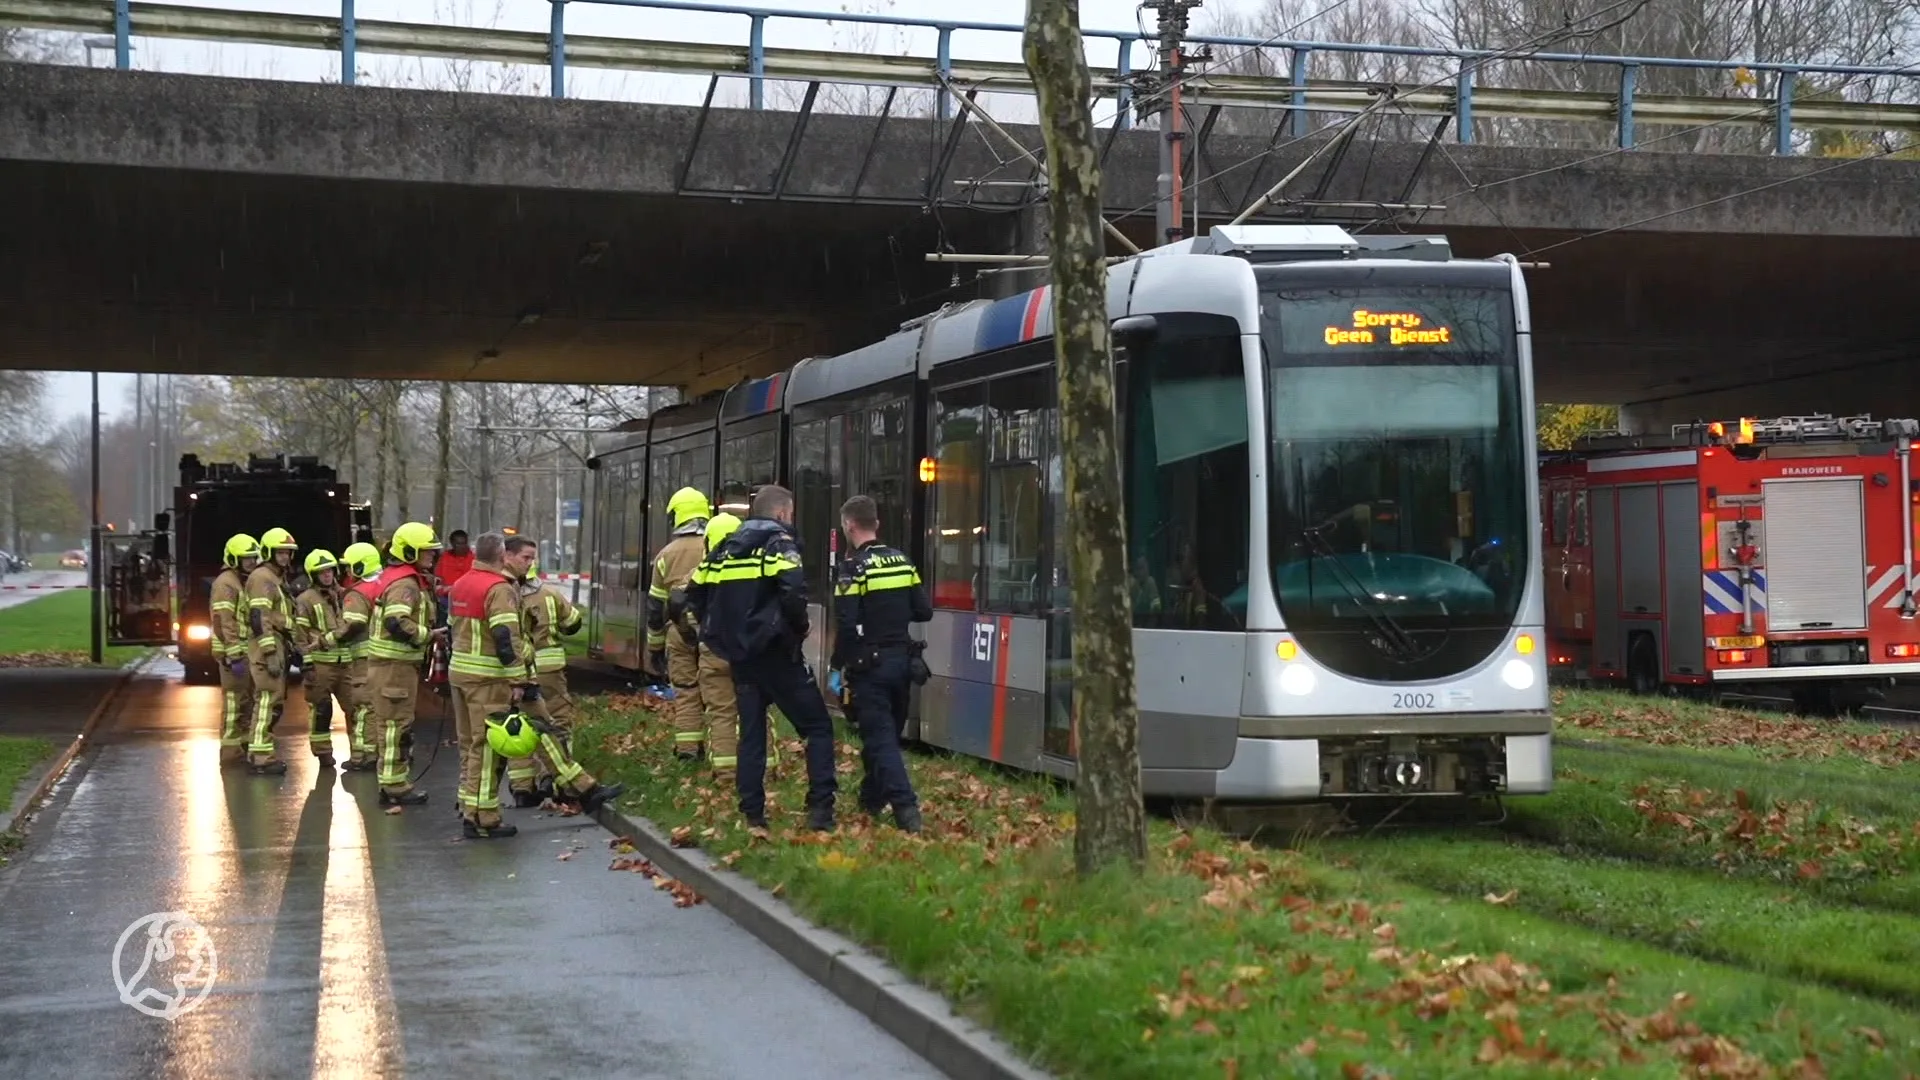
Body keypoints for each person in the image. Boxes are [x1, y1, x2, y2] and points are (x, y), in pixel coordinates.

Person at [689, 484, 838, 833]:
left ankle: (752, 811)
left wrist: (717, 634)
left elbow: (693, 592)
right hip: (777, 654)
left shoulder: (726, 548)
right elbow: (793, 590)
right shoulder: (779, 543)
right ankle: (821, 810)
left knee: (751, 733)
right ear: (783, 513)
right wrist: (796, 630)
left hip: (741, 657)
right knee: (817, 727)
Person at [830, 495, 930, 833]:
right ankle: (870, 800)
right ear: (877, 523)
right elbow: (923, 611)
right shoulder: (903, 561)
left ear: (849, 525)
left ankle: (906, 808)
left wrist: (834, 667)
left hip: (869, 666)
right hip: (902, 662)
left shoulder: (853, 568)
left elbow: (846, 624)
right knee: (885, 735)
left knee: (881, 739)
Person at [365, 522, 445, 807]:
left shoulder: (405, 578)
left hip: (395, 666)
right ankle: (393, 786)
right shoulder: (405, 584)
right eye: (426, 552)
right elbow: (396, 621)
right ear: (410, 551)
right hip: (393, 667)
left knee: (395, 725)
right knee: (395, 727)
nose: (432, 557)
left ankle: (393, 783)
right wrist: (427, 635)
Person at [507, 556, 588, 806]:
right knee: (557, 723)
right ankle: (558, 781)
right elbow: (573, 623)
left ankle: (522, 787)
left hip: (518, 671)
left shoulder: (505, 595)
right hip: (549, 670)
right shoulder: (550, 594)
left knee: (518, 727)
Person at [646, 487, 713, 763]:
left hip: (679, 632)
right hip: (715, 630)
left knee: (686, 691)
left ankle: (687, 751)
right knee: (720, 694)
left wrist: (655, 647)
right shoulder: (719, 545)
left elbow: (656, 607)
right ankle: (723, 750)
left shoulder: (665, 555)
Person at [244, 527, 302, 775]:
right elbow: (259, 617)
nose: (285, 557)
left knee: (272, 700)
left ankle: (260, 751)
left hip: (278, 644)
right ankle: (260, 757)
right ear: (268, 553)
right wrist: (269, 652)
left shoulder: (275, 578)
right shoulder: (262, 578)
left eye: (288, 553)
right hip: (268, 647)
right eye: (280, 553)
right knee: (267, 700)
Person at [693, 512, 743, 781]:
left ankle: (725, 773)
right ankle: (766, 768)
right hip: (747, 650)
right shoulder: (754, 567)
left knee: (722, 713)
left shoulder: (704, 570)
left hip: (714, 649)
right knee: (754, 711)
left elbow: (692, 605)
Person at [293, 549, 352, 768]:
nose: (327, 575)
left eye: (329, 571)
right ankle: (323, 753)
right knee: (321, 709)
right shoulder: (305, 600)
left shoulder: (346, 595)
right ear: (313, 575)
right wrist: (306, 663)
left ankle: (359, 754)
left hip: (346, 663)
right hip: (320, 664)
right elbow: (299, 636)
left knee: (355, 709)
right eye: (321, 572)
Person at [210, 534, 260, 768]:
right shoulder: (226, 583)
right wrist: (233, 654)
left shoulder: (241, 580)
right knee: (234, 704)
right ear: (233, 559)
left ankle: (244, 747)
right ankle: (230, 753)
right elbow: (224, 621)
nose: (250, 562)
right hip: (234, 656)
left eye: (252, 558)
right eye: (245, 558)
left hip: (245, 652)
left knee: (247, 702)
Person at [333, 540, 383, 771]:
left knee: (363, 706)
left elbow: (353, 624)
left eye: (350, 566)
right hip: (384, 657)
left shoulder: (359, 592)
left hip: (363, 658)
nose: (347, 571)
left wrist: (330, 638)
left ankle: (362, 756)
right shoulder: (385, 585)